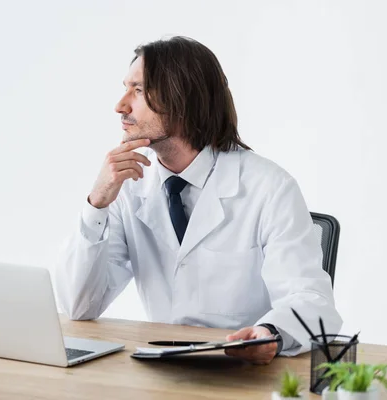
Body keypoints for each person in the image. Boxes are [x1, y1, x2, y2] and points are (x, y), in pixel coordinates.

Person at [54, 36, 341, 364]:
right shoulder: (128, 185)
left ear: (182, 98)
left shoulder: (269, 187)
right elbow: (78, 306)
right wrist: (97, 202)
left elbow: (313, 302)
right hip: (160, 366)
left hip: (241, 371)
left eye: (138, 90)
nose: (120, 106)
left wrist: (272, 333)